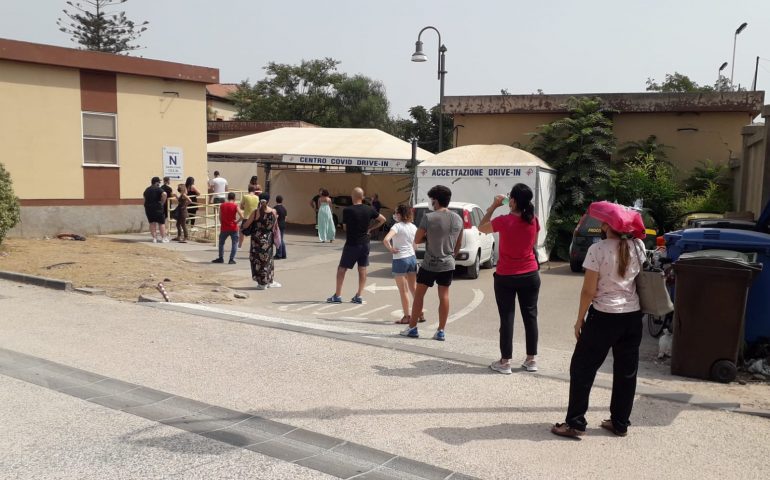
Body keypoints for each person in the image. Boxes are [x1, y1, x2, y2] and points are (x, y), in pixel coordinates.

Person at [551, 201, 647, 439]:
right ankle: (620, 422)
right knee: (626, 371)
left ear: (606, 225)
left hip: (603, 316)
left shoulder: (598, 250)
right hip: (632, 316)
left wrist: (579, 319)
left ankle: (575, 423)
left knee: (582, 368)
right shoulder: (638, 246)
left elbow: (588, 291)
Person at [478, 183, 541, 374]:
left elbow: (481, 227)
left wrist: (494, 206)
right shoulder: (534, 220)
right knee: (530, 317)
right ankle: (531, 360)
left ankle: (505, 362)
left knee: (507, 318)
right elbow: (533, 244)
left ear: (512, 200)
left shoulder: (504, 220)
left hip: (506, 275)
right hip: (530, 273)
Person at [400, 185, 462, 341]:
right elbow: (458, 244)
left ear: (435, 200)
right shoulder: (458, 218)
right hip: (447, 262)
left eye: (432, 200)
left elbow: (417, 239)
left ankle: (413, 328)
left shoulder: (429, 217)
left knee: (419, 295)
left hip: (430, 263)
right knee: (444, 296)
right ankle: (441, 330)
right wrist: (451, 255)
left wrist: (429, 237)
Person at [327, 187, 385, 304]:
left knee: (342, 269)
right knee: (362, 269)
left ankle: (338, 295)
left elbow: (344, 227)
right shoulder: (370, 209)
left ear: (352, 197)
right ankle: (359, 295)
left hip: (352, 243)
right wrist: (370, 228)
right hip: (365, 243)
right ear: (363, 197)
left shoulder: (348, 210)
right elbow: (382, 219)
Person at [383, 204, 418, 325]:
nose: (395, 214)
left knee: (403, 291)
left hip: (400, 259)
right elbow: (416, 244)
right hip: (412, 258)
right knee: (414, 289)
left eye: (396, 212)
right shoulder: (413, 227)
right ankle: (420, 313)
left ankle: (407, 316)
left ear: (400, 214)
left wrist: (391, 249)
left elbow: (386, 239)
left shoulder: (397, 226)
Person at [243, 195, 281, 290]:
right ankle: (268, 281)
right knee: (268, 260)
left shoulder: (256, 212)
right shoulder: (273, 211)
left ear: (259, 201)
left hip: (256, 240)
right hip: (268, 239)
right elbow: (275, 226)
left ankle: (261, 283)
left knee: (256, 260)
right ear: (268, 201)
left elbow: (246, 225)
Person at [212, 192, 241, 264]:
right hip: (233, 227)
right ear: (234, 198)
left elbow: (220, 216)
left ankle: (221, 258)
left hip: (224, 227)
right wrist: (237, 222)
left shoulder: (222, 205)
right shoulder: (235, 205)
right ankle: (231, 259)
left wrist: (222, 223)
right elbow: (242, 216)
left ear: (228, 198)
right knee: (234, 243)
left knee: (221, 243)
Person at [143, 176, 168, 243]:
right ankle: (163, 238)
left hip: (148, 208)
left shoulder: (147, 189)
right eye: (159, 182)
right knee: (161, 223)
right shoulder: (158, 188)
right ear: (156, 182)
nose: (159, 183)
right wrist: (163, 202)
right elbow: (164, 194)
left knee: (152, 223)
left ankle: (154, 239)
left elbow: (144, 198)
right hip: (158, 208)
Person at [273, 195, 288, 259]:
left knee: (277, 240)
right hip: (283, 224)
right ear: (282, 201)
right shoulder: (284, 208)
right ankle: (284, 254)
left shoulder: (275, 208)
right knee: (281, 239)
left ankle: (279, 254)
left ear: (276, 200)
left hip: (278, 225)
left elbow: (275, 217)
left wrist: (274, 225)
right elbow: (286, 218)